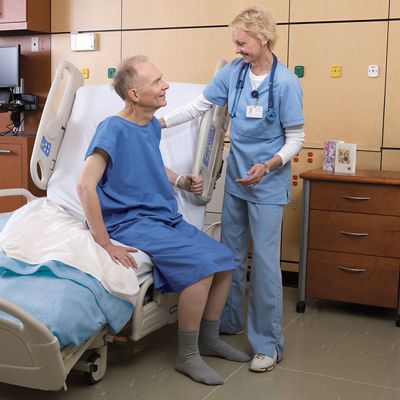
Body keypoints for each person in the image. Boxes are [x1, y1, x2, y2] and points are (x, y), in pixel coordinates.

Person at [77, 55, 250, 386]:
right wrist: (105, 242)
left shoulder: (151, 125)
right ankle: (187, 356)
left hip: (163, 217)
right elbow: (85, 185)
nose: (166, 85)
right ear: (134, 95)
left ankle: (210, 339)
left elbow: (153, 165)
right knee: (201, 268)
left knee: (225, 260)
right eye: (157, 81)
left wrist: (181, 181)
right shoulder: (113, 128)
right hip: (131, 223)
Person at [159, 6, 304, 373]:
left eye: (242, 42)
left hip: (267, 182)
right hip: (237, 179)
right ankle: (227, 323)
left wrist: (270, 164)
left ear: (263, 38)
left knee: (267, 265)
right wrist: (158, 122)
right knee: (231, 254)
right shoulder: (233, 74)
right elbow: (200, 106)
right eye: (235, 43)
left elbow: (296, 138)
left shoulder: (285, 83)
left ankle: (267, 344)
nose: (237, 49)